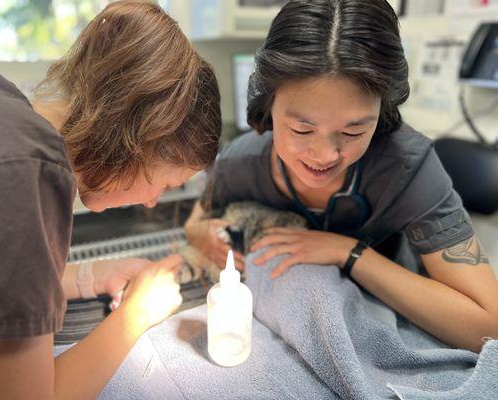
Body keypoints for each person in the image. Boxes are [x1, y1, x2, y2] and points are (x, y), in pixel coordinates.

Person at [185, 0, 498, 353]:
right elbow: (196, 222)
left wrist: (349, 253)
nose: (325, 155)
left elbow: (488, 326)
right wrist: (203, 236)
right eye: (301, 129)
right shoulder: (242, 162)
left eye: (352, 133)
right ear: (267, 104)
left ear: (383, 110)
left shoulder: (407, 168)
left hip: (391, 322)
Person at [0, 1, 221, 398]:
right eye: (165, 185)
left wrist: (87, 277)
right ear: (139, 140)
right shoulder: (27, 173)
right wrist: (136, 315)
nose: (153, 202)